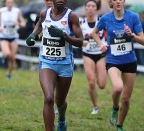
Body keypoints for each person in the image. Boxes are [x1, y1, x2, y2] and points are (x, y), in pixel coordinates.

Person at [26, 0, 83, 130]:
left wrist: (64, 36)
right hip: (46, 62)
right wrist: (33, 35)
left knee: (60, 102)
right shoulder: (44, 14)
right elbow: (40, 25)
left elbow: (80, 42)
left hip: (65, 64)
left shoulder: (71, 16)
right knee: (48, 98)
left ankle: (61, 119)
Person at [91, 0, 144, 130]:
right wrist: (101, 45)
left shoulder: (133, 17)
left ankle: (119, 126)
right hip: (113, 61)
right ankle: (115, 108)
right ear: (111, 2)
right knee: (118, 87)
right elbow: (94, 33)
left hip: (130, 61)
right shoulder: (105, 18)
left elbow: (142, 40)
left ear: (124, 1)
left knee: (125, 100)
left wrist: (132, 35)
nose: (118, 1)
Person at [81, 0, 107, 115]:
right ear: (85, 8)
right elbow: (76, 38)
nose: (90, 8)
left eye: (93, 6)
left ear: (96, 8)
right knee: (91, 82)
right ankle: (95, 106)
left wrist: (105, 43)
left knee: (101, 85)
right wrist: (82, 42)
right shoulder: (81, 23)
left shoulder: (101, 21)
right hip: (88, 54)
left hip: (100, 55)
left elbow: (107, 35)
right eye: (88, 6)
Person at [0, 0, 26, 80]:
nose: (10, 4)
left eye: (11, 2)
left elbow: (23, 23)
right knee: (7, 54)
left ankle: (9, 73)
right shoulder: (1, 11)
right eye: (8, 2)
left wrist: (19, 24)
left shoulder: (17, 11)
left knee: (12, 58)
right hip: (3, 36)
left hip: (14, 37)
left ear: (13, 3)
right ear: (5, 3)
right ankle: (4, 59)